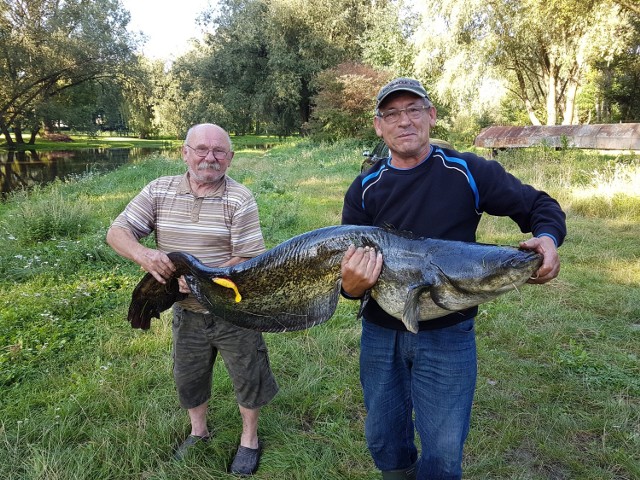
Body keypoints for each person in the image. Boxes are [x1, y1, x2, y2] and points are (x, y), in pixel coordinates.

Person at [339, 78, 566, 480]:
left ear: (431, 116)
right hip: (380, 334)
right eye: (392, 114)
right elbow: (347, 271)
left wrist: (547, 238)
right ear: (378, 126)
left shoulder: (467, 171)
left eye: (413, 110)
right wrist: (351, 288)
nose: (403, 121)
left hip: (450, 333)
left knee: (443, 453)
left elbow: (538, 205)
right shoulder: (365, 187)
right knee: (383, 439)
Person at [106, 123, 279, 476]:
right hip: (185, 312)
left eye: (218, 151)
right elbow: (117, 231)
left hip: (234, 309)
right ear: (184, 152)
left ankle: (249, 440)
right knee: (189, 376)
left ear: (230, 158)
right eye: (201, 149)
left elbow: (247, 258)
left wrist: (199, 278)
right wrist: (146, 256)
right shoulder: (158, 190)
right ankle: (198, 432)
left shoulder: (239, 198)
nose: (209, 157)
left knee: (249, 375)